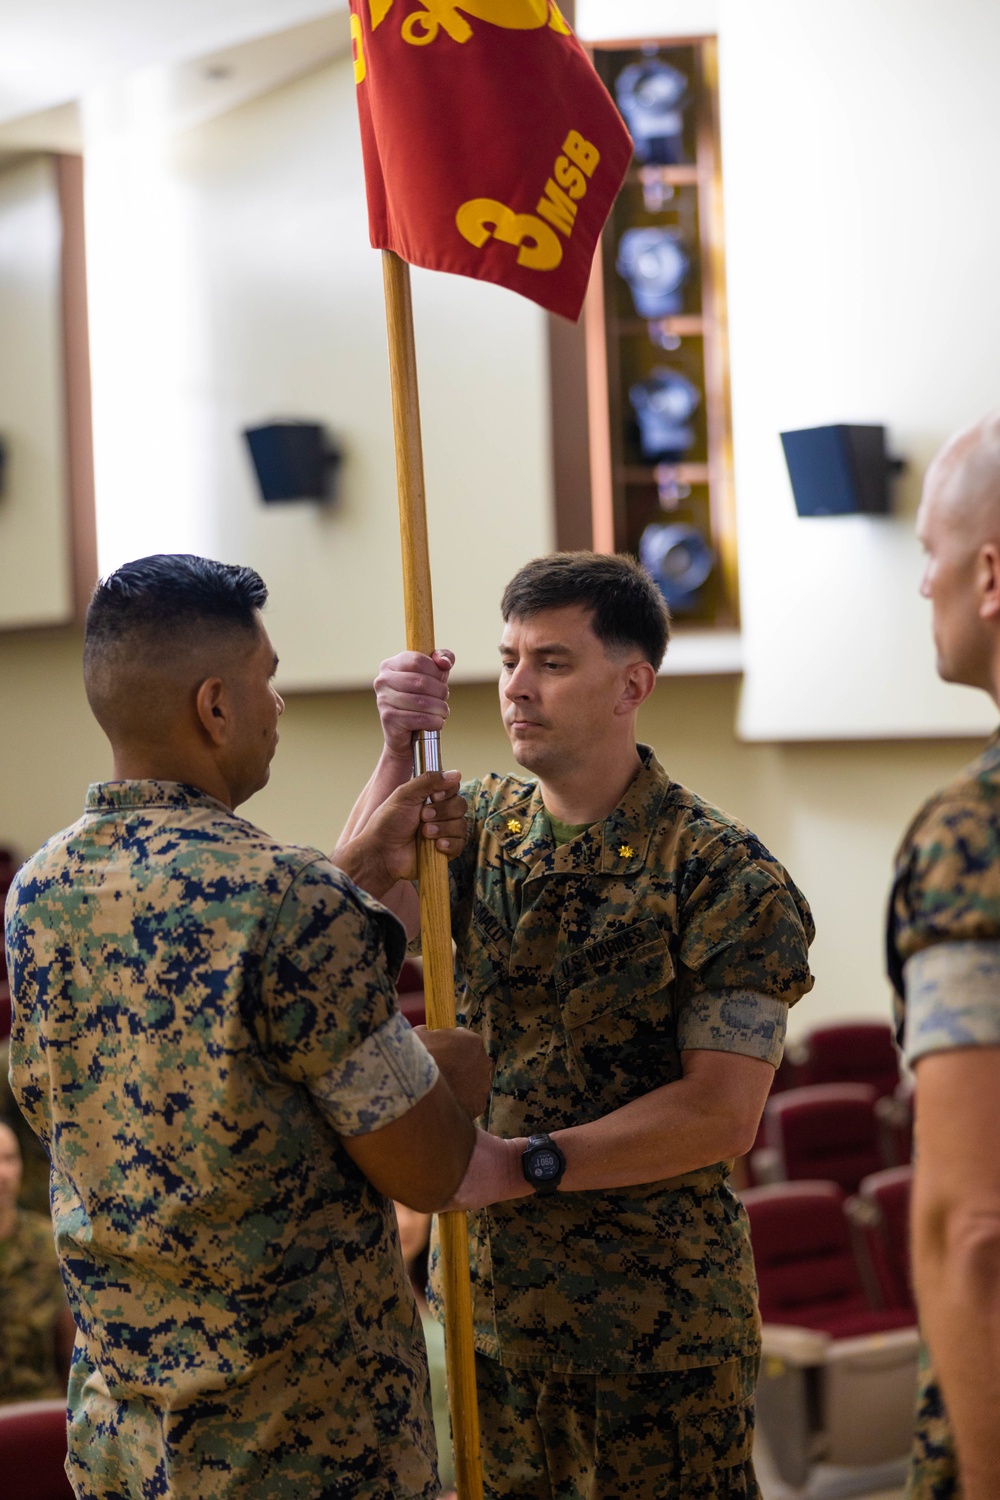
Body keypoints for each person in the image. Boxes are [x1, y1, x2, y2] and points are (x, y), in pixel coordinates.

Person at [4, 553, 493, 1500]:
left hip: (127, 1436)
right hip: (299, 1440)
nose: (280, 705)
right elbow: (428, 1172)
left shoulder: (40, 892)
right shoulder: (287, 898)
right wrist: (457, 1074)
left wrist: (350, 886)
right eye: (269, 680)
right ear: (215, 706)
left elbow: (191, 1039)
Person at [344, 551, 815, 1499]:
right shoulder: (474, 829)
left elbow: (721, 1114)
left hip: (652, 1337)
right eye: (510, 659)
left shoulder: (720, 874)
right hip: (487, 1318)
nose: (517, 687)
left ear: (631, 684)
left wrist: (520, 1164)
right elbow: (342, 933)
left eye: (552, 662)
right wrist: (398, 753)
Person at [887, 412, 1000, 1500]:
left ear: (990, 572)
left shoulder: (976, 833)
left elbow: (973, 1228)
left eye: (929, 552)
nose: (923, 584)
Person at [0, 1120, 75, 1404]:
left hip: (40, 1417)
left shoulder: (50, 1244)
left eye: (10, 1159)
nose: (4, 1173)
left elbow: (71, 1353)